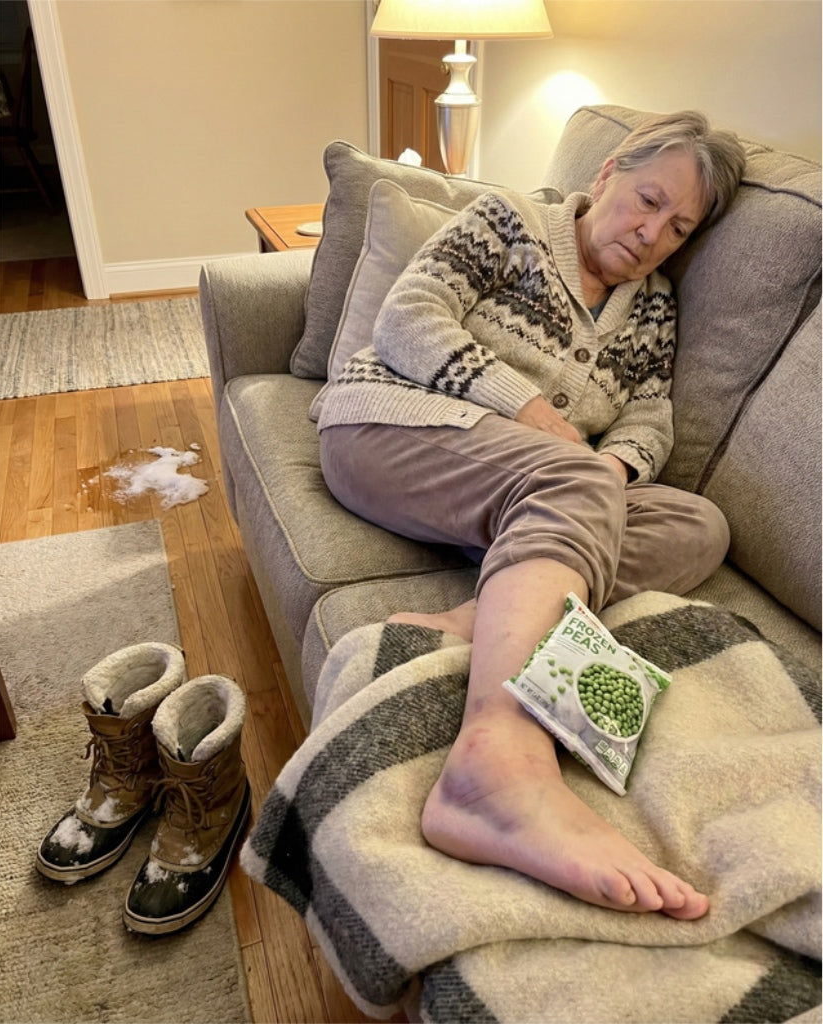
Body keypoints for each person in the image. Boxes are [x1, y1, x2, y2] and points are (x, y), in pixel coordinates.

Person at [317, 111, 746, 919]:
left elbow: (649, 417)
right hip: (388, 426)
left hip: (527, 484)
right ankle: (496, 764)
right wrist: (534, 414)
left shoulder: (653, 307)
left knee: (698, 525)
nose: (653, 233)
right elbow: (407, 318)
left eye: (679, 227)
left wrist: (612, 468)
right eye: (648, 200)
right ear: (609, 173)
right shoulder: (509, 222)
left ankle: (482, 618)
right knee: (574, 478)